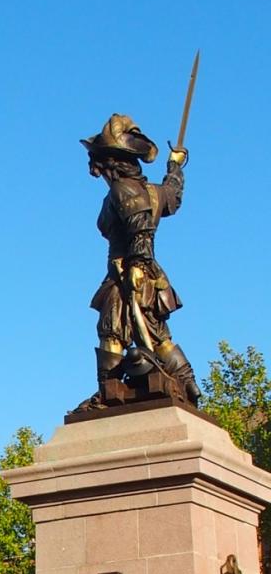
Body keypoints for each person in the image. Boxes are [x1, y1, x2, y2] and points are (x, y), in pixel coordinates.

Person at [80, 113, 200, 406]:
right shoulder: (152, 192)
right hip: (146, 271)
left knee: (112, 330)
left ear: (109, 162)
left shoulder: (123, 189)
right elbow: (173, 195)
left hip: (128, 270)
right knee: (156, 333)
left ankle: (108, 388)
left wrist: (136, 265)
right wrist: (174, 166)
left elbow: (139, 226)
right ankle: (187, 382)